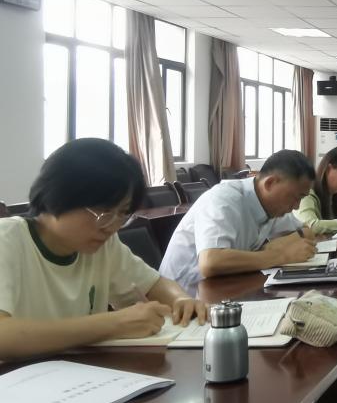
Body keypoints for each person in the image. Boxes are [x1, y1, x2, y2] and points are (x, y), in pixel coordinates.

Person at [0, 138, 208, 360]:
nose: (112, 226)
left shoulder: (103, 246)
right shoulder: (8, 239)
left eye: (122, 214)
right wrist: (113, 323)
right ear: (56, 195)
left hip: (77, 371)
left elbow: (153, 284)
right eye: (103, 212)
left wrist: (180, 300)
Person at [159, 149, 317, 293]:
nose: (297, 206)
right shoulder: (224, 200)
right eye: (295, 197)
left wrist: (275, 246)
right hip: (182, 299)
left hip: (224, 290)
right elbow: (211, 262)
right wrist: (281, 255)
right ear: (270, 183)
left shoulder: (272, 206)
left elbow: (307, 232)